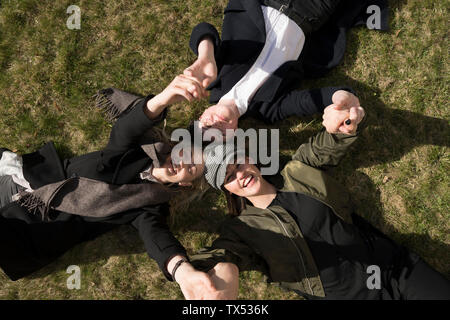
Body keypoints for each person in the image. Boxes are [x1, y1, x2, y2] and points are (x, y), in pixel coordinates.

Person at [189, 104, 450, 300]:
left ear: (249, 158)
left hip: (395, 268)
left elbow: (323, 146)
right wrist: (216, 274)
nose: (240, 175)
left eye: (239, 164)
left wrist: (342, 126)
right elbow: (222, 256)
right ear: (227, 189)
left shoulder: (296, 171)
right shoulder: (243, 230)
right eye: (229, 177)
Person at [0, 74, 217, 299]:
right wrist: (164, 98)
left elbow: (157, 238)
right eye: (185, 155)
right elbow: (125, 129)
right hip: (26, 181)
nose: (182, 163)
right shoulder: (137, 151)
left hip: (31, 228)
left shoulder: (149, 205)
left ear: (184, 182)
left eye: (190, 169)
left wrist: (182, 271)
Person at [185, 0, 389, 134]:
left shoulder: (212, 78)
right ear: (233, 134)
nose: (215, 124)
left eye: (206, 125)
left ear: (201, 115)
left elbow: (203, 29)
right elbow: (305, 102)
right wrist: (339, 98)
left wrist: (205, 56)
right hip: (312, 11)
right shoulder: (267, 110)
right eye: (218, 134)